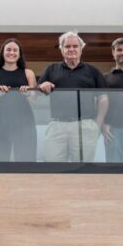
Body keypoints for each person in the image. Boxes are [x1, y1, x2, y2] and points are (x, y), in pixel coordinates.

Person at [37, 31, 109, 162]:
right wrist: (43, 85)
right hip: (57, 125)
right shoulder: (51, 69)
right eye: (67, 46)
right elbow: (38, 90)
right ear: (62, 49)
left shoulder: (93, 71)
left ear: (81, 49)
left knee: (83, 170)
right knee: (52, 167)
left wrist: (97, 124)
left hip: (85, 125)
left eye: (75, 46)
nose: (71, 49)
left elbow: (103, 99)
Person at [0, 38, 37, 162]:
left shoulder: (28, 73)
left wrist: (27, 94)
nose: (11, 52)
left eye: (15, 50)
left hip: (25, 122)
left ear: (19, 54)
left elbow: (34, 100)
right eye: (8, 49)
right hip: (2, 121)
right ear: (3, 52)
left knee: (26, 160)